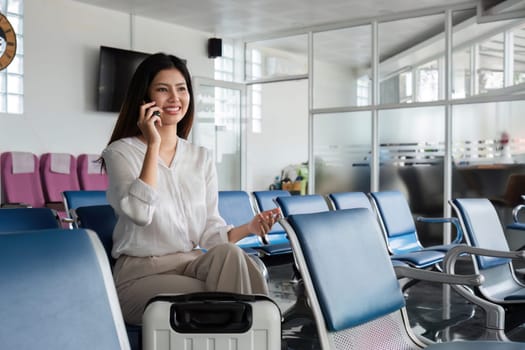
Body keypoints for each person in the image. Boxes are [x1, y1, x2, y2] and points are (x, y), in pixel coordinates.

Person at [101, 53, 281, 325]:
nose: (175, 98)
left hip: (192, 264)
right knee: (227, 295)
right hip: (141, 275)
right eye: (163, 89)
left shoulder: (201, 157)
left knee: (232, 257)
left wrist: (249, 228)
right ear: (145, 98)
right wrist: (153, 144)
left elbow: (210, 232)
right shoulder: (120, 153)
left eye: (181, 88)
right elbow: (139, 212)